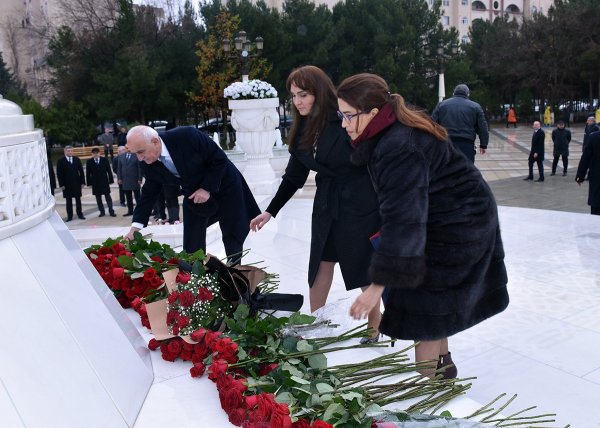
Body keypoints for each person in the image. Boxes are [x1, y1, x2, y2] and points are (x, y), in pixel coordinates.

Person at [338, 73, 509, 378]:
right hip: (454, 214)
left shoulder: (397, 147)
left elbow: (404, 219)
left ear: (373, 114)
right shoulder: (390, 134)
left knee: (423, 309)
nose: (344, 124)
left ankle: (426, 391)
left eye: (349, 116)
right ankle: (444, 369)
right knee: (432, 303)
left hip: (459, 223)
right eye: (341, 115)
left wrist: (376, 287)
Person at [249, 66, 381, 342]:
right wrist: (270, 211)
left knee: (360, 265)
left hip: (358, 203)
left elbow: (373, 158)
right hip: (326, 204)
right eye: (294, 95)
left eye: (304, 94)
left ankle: (374, 327)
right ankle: (315, 321)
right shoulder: (301, 132)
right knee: (320, 262)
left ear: (319, 93)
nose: (297, 101)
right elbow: (293, 177)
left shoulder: (343, 120)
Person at [124, 125, 260, 264]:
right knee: (191, 241)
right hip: (194, 194)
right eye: (136, 153)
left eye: (141, 152)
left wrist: (206, 188)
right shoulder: (147, 161)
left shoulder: (186, 136)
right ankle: (196, 277)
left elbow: (219, 159)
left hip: (225, 185)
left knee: (233, 235)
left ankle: (235, 274)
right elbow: (149, 192)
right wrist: (136, 227)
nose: (139, 158)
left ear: (155, 141)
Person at [431, 84, 488, 163]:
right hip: (467, 144)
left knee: (447, 171)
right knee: (466, 171)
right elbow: (482, 127)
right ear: (468, 94)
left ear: (453, 93)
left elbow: (432, 124)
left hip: (446, 143)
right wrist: (483, 145)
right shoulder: (476, 107)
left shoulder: (441, 105)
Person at [56, 145, 86, 221]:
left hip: (76, 183)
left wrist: (82, 182)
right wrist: (61, 185)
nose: (70, 152)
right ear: (65, 152)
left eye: (71, 151)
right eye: (68, 151)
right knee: (68, 201)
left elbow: (81, 171)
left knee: (78, 200)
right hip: (66, 185)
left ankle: (80, 214)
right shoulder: (61, 161)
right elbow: (59, 174)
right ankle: (70, 216)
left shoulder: (76, 159)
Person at [86, 147, 116, 217]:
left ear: (99, 153)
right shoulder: (89, 161)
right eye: (94, 153)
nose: (96, 154)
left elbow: (109, 170)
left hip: (104, 181)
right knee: (98, 198)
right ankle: (102, 211)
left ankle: (111, 210)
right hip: (95, 182)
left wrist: (111, 180)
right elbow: (88, 173)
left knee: (108, 196)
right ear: (92, 154)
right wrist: (89, 183)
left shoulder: (104, 160)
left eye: (97, 153)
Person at [576, 130, 600, 215]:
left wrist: (580, 176)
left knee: (596, 205)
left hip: (597, 177)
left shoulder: (594, 137)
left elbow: (585, 158)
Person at [117, 145, 142, 215]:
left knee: (138, 197)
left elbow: (139, 168)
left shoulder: (136, 155)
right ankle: (130, 211)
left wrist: (140, 178)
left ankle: (140, 211)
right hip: (125, 180)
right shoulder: (121, 156)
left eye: (129, 148)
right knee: (128, 197)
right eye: (126, 148)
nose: (128, 149)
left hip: (135, 180)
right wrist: (119, 178)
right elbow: (119, 168)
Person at [583, 116, 599, 181]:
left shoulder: (596, 128)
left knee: (591, 163)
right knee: (587, 162)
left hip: (592, 148)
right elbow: (585, 138)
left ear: (592, 121)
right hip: (587, 146)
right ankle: (589, 176)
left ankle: (590, 176)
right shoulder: (587, 127)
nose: (587, 122)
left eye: (588, 121)